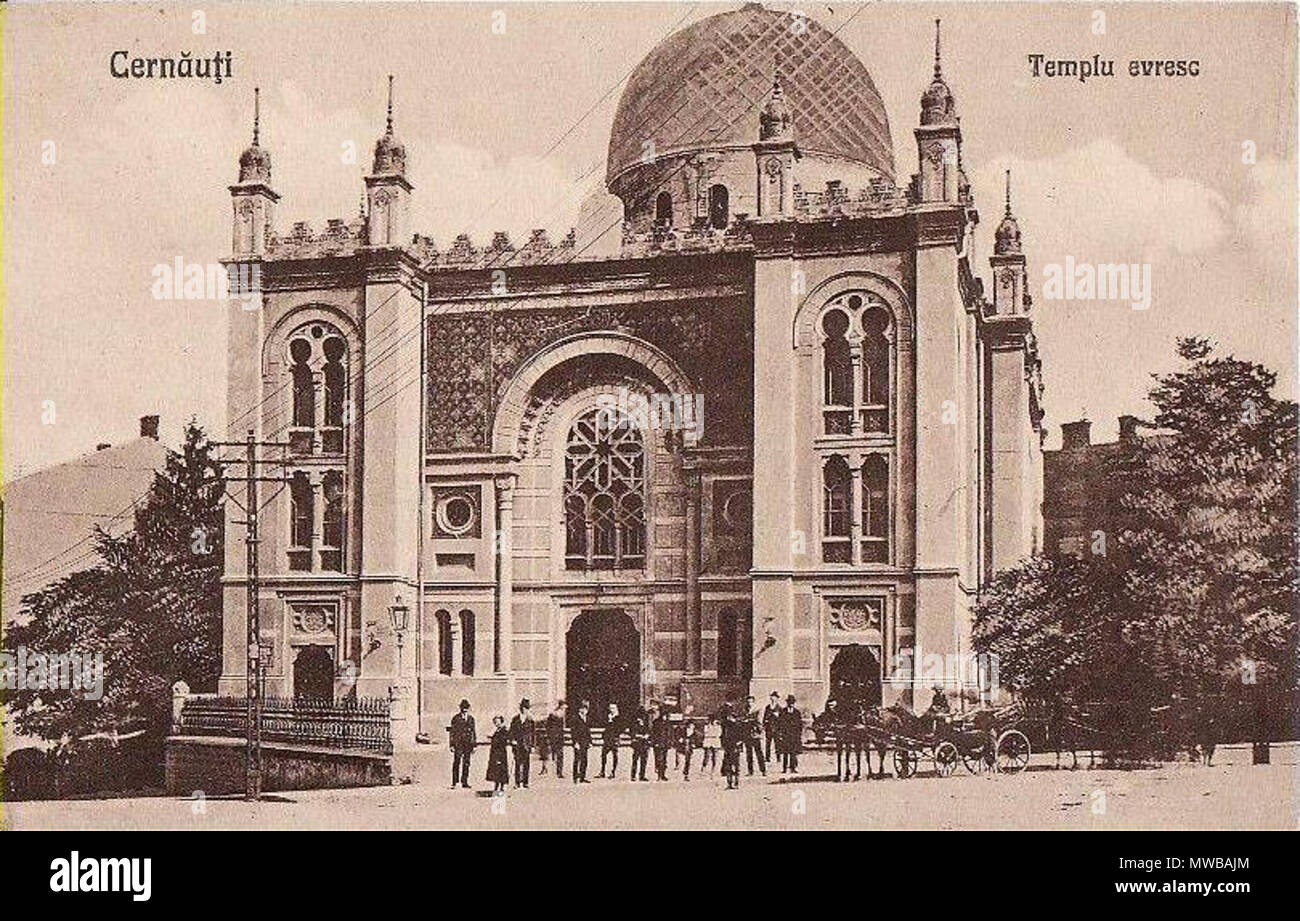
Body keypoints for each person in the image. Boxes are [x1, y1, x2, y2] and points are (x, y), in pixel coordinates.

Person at [447, 699, 476, 789]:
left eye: (466, 708)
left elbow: (473, 732)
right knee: (457, 762)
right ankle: (454, 782)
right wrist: (451, 745)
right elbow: (452, 732)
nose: (465, 710)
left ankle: (465, 782)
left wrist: (474, 745)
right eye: (463, 708)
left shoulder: (471, 719)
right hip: (458, 743)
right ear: (460, 708)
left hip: (468, 744)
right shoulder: (455, 718)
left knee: (466, 763)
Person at [508, 698, 535, 788]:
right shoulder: (515, 719)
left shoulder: (530, 720)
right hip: (518, 745)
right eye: (524, 708)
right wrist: (512, 740)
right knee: (517, 763)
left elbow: (533, 734)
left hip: (527, 745)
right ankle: (517, 782)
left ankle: (525, 782)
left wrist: (533, 745)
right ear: (521, 708)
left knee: (527, 764)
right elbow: (511, 731)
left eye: (527, 708)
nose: (526, 710)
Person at [719, 703, 743, 790]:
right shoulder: (725, 726)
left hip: (735, 747)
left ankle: (736, 783)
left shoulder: (738, 726)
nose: (730, 719)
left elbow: (741, 737)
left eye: (731, 717)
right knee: (728, 766)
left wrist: (738, 745)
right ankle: (729, 783)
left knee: (736, 766)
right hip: (728, 747)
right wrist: (723, 746)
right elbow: (722, 736)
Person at [486, 715, 510, 795]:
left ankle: (501, 788)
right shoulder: (498, 730)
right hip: (495, 753)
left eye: (497, 722)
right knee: (496, 771)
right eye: (494, 722)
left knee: (501, 770)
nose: (495, 723)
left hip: (500, 753)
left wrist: (493, 739)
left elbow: (503, 741)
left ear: (501, 721)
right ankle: (496, 788)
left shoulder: (504, 730)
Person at [743, 695, 767, 777]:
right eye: (748, 702)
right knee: (749, 753)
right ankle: (750, 771)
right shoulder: (745, 710)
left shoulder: (757, 710)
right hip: (747, 734)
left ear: (754, 702)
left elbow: (759, 722)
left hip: (755, 734)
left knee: (758, 752)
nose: (749, 704)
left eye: (751, 702)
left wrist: (749, 721)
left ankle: (763, 770)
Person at [598, 703, 623, 778]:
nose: (611, 709)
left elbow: (620, 728)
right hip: (607, 738)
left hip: (614, 738)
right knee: (603, 755)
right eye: (610, 708)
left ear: (616, 708)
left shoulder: (618, 717)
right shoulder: (608, 716)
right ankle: (602, 771)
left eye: (613, 708)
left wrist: (617, 736)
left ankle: (613, 771)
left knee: (614, 755)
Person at [543, 701, 567, 778]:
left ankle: (559, 772)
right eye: (564, 707)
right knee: (552, 755)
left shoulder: (561, 715)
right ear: (561, 707)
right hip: (554, 738)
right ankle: (549, 770)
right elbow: (548, 726)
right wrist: (550, 735)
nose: (564, 709)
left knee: (559, 755)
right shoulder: (553, 715)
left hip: (559, 738)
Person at [570, 701, 592, 783]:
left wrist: (590, 741)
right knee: (577, 759)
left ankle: (582, 777)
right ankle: (575, 777)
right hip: (578, 742)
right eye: (584, 709)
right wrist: (575, 742)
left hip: (585, 742)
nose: (586, 711)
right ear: (580, 709)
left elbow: (588, 731)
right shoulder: (575, 718)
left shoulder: (586, 718)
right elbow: (573, 731)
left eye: (587, 709)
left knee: (584, 760)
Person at [780, 695, 803, 773]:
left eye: (792, 702)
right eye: (789, 702)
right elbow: (780, 723)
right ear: (787, 703)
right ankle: (784, 768)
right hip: (785, 734)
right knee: (785, 753)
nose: (791, 704)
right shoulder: (783, 711)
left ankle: (793, 768)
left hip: (794, 735)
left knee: (793, 752)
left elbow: (800, 724)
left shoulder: (797, 712)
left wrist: (799, 734)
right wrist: (781, 733)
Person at [650, 705, 672, 781]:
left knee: (664, 760)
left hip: (665, 744)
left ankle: (663, 774)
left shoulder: (668, 724)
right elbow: (653, 733)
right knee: (658, 759)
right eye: (664, 715)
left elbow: (670, 734)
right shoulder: (656, 723)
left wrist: (669, 743)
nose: (665, 717)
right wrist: (654, 742)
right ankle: (659, 774)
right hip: (658, 744)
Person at [629, 706, 651, 781]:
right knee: (635, 759)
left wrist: (647, 735)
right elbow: (632, 732)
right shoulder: (634, 722)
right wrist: (638, 736)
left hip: (644, 743)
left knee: (644, 760)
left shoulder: (646, 722)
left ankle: (642, 775)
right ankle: (633, 775)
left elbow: (649, 730)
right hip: (637, 743)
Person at [763, 691, 783, 763]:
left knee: (777, 743)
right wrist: (765, 723)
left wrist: (777, 716)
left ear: (777, 698)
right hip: (769, 728)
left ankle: (778, 757)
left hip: (776, 728)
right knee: (768, 743)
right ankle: (767, 757)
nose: (772, 698)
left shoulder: (779, 708)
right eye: (771, 696)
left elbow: (782, 719)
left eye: (774, 697)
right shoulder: (768, 707)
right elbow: (765, 717)